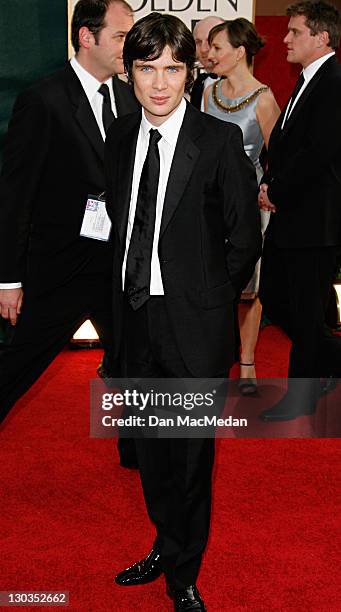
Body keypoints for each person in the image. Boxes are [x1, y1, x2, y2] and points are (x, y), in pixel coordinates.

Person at [105, 12, 262, 611]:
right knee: (148, 449)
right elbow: (117, 226)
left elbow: (244, 239)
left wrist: (206, 299)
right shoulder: (120, 137)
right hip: (133, 319)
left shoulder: (217, 140)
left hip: (192, 325)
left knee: (192, 456)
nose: (161, 83)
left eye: (173, 68)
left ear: (190, 72)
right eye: (148, 69)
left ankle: (183, 574)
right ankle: (165, 544)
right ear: (131, 73)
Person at [0, 0, 138, 425]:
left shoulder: (131, 98)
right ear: (86, 36)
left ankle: (141, 456)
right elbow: (14, 196)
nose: (128, 47)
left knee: (135, 365)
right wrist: (8, 279)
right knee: (15, 367)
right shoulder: (42, 100)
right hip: (60, 269)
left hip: (119, 267)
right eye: (120, 36)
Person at [258, 1, 341, 421]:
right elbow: (292, 147)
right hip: (294, 217)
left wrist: (276, 190)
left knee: (307, 314)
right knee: (275, 296)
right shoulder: (307, 80)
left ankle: (301, 402)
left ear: (321, 37)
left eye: (295, 32)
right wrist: (272, 182)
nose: (285, 39)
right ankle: (330, 361)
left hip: (314, 220)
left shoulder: (334, 82)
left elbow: (319, 152)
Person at [204, 18, 280, 394]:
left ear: (240, 52)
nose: (209, 54)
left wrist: (268, 185)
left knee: (248, 291)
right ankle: (213, 358)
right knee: (210, 283)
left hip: (248, 208)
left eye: (217, 48)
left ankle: (247, 365)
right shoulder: (207, 93)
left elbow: (280, 156)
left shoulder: (264, 100)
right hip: (207, 206)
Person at [190, 16, 224, 110]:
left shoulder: (242, 88)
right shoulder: (198, 84)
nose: (203, 49)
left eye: (210, 41)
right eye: (198, 42)